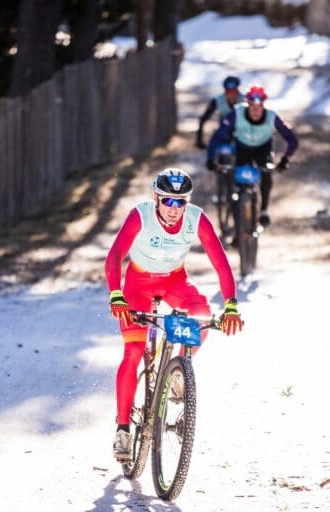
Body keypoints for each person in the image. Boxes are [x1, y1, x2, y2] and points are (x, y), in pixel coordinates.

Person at [104, 168, 243, 461]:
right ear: (156, 198)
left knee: (203, 313)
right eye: (168, 201)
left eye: (181, 202)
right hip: (138, 286)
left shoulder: (195, 218)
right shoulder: (140, 215)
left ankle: (179, 369)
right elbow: (115, 255)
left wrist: (230, 304)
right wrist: (116, 294)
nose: (174, 209)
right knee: (134, 350)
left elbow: (221, 264)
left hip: (174, 281)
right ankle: (123, 430)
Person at [206, 84, 299, 227]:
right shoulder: (237, 113)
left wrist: (285, 159)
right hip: (242, 150)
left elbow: (292, 140)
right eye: (252, 107)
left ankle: (263, 211)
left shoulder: (272, 116)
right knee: (237, 188)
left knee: (266, 174)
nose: (256, 111)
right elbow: (217, 136)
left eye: (259, 107)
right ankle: (238, 227)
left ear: (263, 105)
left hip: (263, 150)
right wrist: (211, 158)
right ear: (247, 104)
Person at [195, 76, 245, 149]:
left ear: (237, 90)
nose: (231, 94)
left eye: (234, 91)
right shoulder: (217, 100)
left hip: (242, 132)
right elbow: (203, 119)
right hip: (224, 132)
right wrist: (199, 140)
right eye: (228, 91)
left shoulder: (246, 100)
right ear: (225, 91)